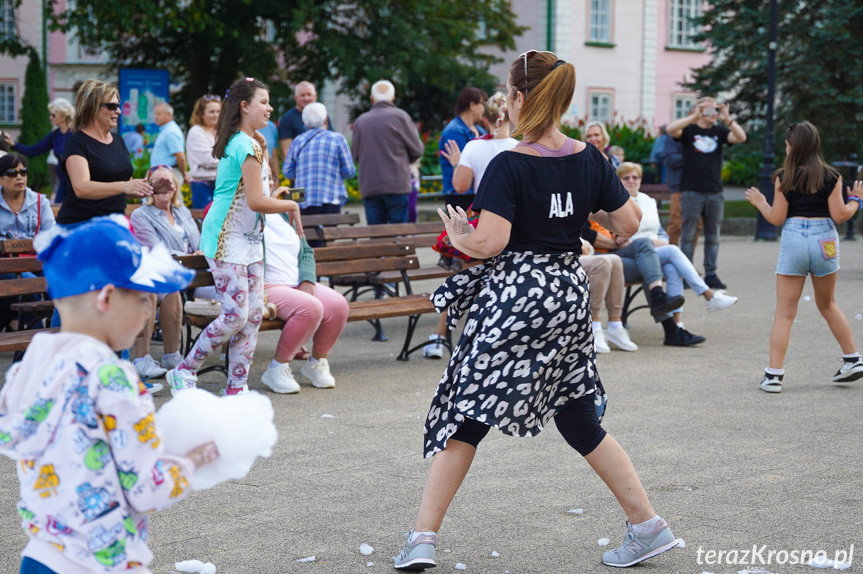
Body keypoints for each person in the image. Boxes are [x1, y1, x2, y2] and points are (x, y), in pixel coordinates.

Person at [394, 51, 680, 571]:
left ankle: (422, 538)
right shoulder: (589, 158)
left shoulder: (510, 162)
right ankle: (646, 525)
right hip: (568, 294)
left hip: (518, 297)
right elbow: (629, 224)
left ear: (521, 97)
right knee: (575, 413)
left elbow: (491, 242)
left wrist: (462, 235)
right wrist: (577, 203)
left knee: (466, 413)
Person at [0, 216, 219, 574]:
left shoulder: (34, 363)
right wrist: (191, 462)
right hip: (100, 561)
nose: (148, 313)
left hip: (40, 555)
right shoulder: (114, 377)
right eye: (145, 300)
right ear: (107, 297)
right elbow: (145, 488)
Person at [166, 77, 303, 397]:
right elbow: (256, 202)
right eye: (264, 102)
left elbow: (257, 196)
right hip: (226, 239)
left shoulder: (249, 140)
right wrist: (292, 204)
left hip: (249, 239)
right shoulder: (244, 144)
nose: (270, 108)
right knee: (236, 315)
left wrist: (276, 192)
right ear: (244, 106)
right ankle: (184, 370)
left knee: (254, 314)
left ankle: (236, 387)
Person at [745, 121, 863, 393]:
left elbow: (776, 219)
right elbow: (840, 215)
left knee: (785, 312)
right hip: (825, 241)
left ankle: (774, 376)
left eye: (787, 144)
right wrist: (856, 199)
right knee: (828, 303)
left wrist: (761, 202)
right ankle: (852, 359)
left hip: (795, 238)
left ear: (793, 146)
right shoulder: (832, 176)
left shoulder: (782, 177)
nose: (785, 149)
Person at [425, 91, 518, 357]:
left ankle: (439, 336)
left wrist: (458, 164)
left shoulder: (474, 146)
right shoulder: (519, 147)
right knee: (505, 283)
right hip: (515, 222)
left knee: (463, 279)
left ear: (486, 116)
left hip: (483, 218)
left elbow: (460, 186)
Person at [618, 162, 738, 317]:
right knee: (673, 251)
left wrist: (663, 241)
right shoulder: (617, 202)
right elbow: (621, 236)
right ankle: (709, 295)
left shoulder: (648, 201)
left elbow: (659, 230)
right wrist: (656, 243)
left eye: (635, 177)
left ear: (641, 180)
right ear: (618, 181)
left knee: (671, 267)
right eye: (625, 178)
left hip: (657, 250)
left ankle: (676, 325)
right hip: (634, 251)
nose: (631, 181)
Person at [130, 165, 209, 380]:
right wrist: (191, 257)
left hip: (193, 274)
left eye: (169, 182)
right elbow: (157, 250)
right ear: (149, 188)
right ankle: (142, 359)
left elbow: (198, 242)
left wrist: (199, 252)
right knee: (163, 290)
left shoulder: (182, 211)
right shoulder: (141, 215)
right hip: (157, 274)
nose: (165, 187)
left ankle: (171, 356)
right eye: (159, 182)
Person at [260, 204, 350, 393]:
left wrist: (307, 280)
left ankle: (316, 362)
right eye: (262, 178)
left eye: (271, 178)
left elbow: (306, 251)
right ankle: (277, 367)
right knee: (311, 307)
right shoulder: (247, 213)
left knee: (338, 305)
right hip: (267, 286)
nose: (267, 182)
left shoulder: (284, 215)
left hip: (296, 281)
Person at [582, 220, 706, 347]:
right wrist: (615, 244)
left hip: (613, 250)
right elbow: (586, 234)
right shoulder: (579, 202)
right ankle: (671, 327)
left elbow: (613, 223)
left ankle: (658, 296)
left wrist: (619, 236)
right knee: (649, 265)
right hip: (594, 256)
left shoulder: (602, 204)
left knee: (644, 244)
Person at [666, 96, 747, 289]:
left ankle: (711, 274)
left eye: (716, 110)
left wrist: (728, 119)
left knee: (713, 236)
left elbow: (741, 137)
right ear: (700, 110)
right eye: (709, 110)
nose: (714, 114)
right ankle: (686, 274)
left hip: (714, 192)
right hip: (692, 191)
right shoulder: (689, 131)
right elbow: (670, 129)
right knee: (688, 235)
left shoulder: (719, 131)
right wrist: (694, 115)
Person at [57, 79, 153, 226]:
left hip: (113, 225)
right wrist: (124, 186)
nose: (118, 111)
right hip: (81, 226)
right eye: (112, 106)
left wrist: (154, 187)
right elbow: (81, 188)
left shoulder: (118, 141)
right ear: (93, 108)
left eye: (118, 106)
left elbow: (126, 188)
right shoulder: (76, 143)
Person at [351, 80, 424, 225]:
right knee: (398, 236)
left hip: (370, 186)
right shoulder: (401, 117)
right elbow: (417, 150)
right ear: (393, 98)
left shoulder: (360, 121)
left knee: (377, 236)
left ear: (372, 98)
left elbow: (355, 156)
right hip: (397, 184)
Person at [0, 154, 56, 331]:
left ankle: (47, 336)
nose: (19, 177)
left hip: (37, 264)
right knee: (26, 287)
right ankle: (32, 343)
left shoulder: (40, 202)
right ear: (0, 179)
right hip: (4, 267)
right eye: (12, 173)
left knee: (63, 284)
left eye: (23, 172)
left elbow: (51, 235)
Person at [282, 102, 355, 217]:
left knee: (307, 234)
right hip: (330, 199)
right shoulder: (338, 139)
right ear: (326, 120)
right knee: (330, 233)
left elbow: (287, 172)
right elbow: (349, 171)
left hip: (303, 201)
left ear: (304, 122)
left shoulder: (297, 141)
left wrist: (302, 173)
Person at [3, 98, 75, 204]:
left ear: (64, 116)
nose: (50, 118)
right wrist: (13, 144)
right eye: (50, 115)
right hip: (63, 182)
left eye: (54, 115)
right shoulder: (55, 135)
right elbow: (34, 150)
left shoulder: (76, 134)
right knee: (60, 214)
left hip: (78, 182)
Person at [580, 240, 637, 354]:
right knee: (602, 262)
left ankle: (615, 324)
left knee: (615, 260)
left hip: (573, 253)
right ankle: (593, 325)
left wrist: (585, 245)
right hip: (551, 258)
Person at [438, 87, 487, 212]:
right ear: (472, 105)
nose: (484, 108)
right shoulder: (454, 131)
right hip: (459, 194)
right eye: (482, 104)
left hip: (477, 191)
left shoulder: (479, 130)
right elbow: (464, 165)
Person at [278, 81, 333, 163]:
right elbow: (285, 152)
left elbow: (331, 140)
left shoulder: (323, 115)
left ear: (315, 96)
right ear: (295, 97)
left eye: (309, 94)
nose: (306, 98)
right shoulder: (287, 119)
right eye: (302, 95)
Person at [186, 95, 222, 208]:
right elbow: (208, 160)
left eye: (218, 111)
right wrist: (231, 160)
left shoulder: (220, 132)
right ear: (201, 114)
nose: (216, 115)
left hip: (221, 184)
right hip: (203, 186)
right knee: (206, 223)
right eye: (211, 112)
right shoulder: (196, 132)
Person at [150, 102, 189, 184]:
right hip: (165, 174)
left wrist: (182, 174)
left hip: (169, 175)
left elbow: (180, 157)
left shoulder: (170, 131)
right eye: (155, 114)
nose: (155, 117)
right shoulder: (166, 129)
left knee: (172, 197)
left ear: (168, 114)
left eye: (159, 114)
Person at [660, 125, 685, 245]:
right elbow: (669, 159)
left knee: (697, 225)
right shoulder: (674, 136)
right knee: (676, 223)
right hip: (679, 185)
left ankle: (686, 261)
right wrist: (692, 156)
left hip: (699, 186)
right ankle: (670, 252)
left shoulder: (702, 136)